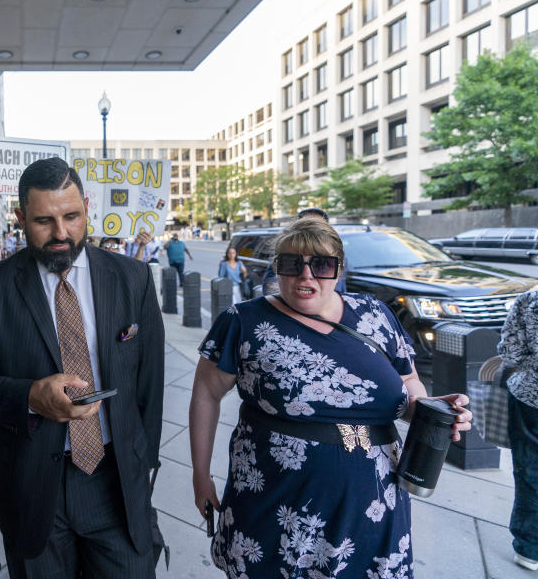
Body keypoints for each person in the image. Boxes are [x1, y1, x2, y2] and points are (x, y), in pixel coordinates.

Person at [188, 217, 472, 579]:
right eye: (292, 264)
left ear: (338, 269)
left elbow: (409, 381)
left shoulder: (376, 315)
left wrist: (427, 408)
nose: (306, 276)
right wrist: (201, 475)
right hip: (279, 502)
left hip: (373, 503)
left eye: (321, 265)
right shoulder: (242, 321)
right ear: (277, 268)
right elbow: (206, 394)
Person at [0, 157, 165, 578]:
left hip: (116, 483)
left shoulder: (134, 278)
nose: (61, 233)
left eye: (71, 216)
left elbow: (149, 385)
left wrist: (143, 462)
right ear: (19, 218)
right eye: (44, 221)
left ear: (87, 207)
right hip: (32, 489)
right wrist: (30, 397)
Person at [498, 290, 538, 571]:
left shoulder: (530, 299)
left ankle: (530, 548)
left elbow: (511, 351)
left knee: (529, 471)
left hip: (531, 397)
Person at [261, 207, 346, 296]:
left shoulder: (335, 253)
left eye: (318, 223)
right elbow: (269, 282)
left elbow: (341, 285)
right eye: (308, 222)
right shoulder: (283, 252)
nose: (306, 275)